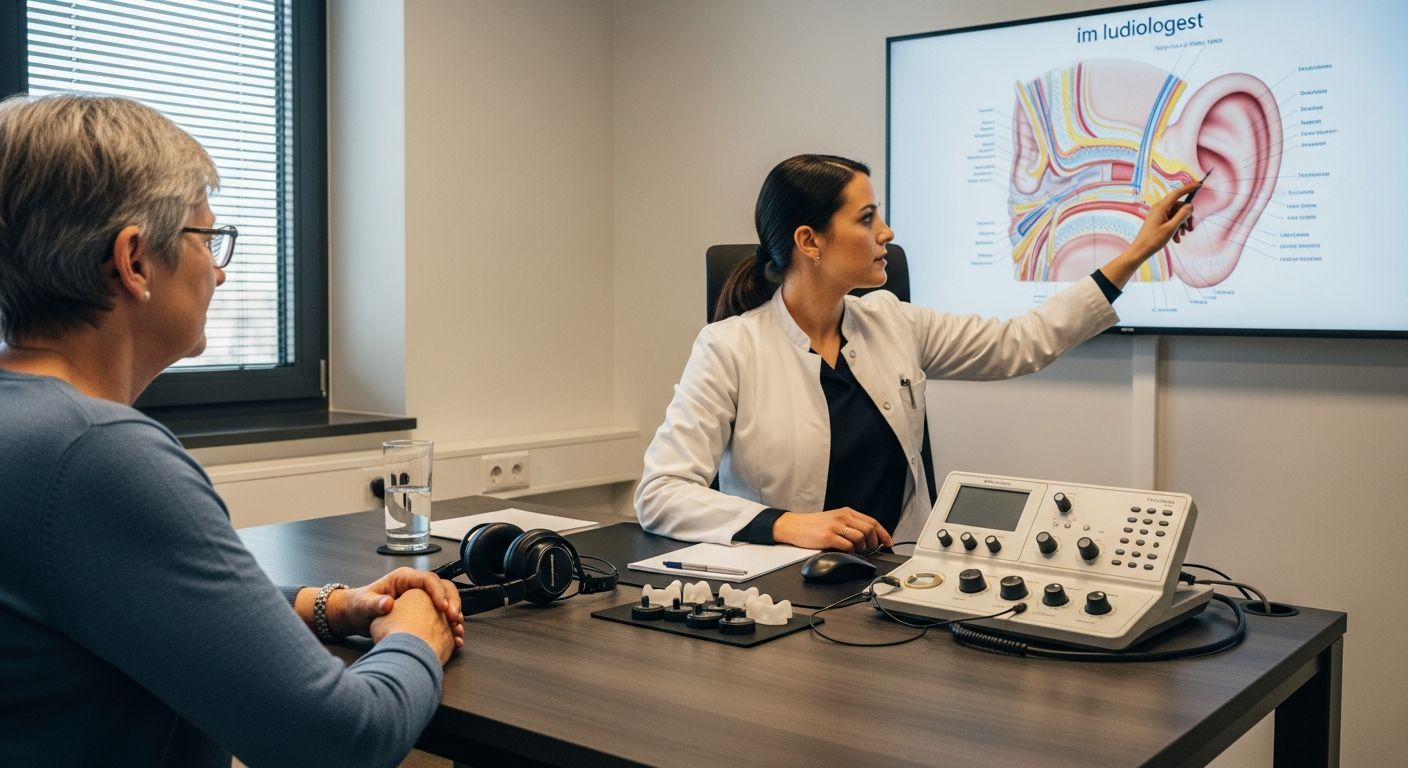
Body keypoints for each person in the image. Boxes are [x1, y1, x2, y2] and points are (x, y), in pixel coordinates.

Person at [0, 94, 462, 768]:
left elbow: (124, 594)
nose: (218, 271)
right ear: (132, 260)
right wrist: (418, 638)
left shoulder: (28, 432)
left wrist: (328, 605)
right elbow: (338, 743)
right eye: (206, 239)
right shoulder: (93, 453)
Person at [636, 154, 1196, 552]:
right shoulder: (729, 348)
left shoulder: (894, 322)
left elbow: (1022, 342)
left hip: (897, 587)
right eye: (865, 219)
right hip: (784, 591)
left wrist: (1137, 252)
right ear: (810, 242)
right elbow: (660, 494)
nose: (886, 231)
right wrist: (786, 525)